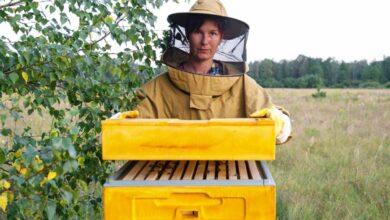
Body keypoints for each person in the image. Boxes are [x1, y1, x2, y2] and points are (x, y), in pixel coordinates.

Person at [115, 0, 291, 144]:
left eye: (213, 33)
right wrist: (120, 124)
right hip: (174, 177)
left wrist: (280, 123)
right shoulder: (159, 88)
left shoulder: (243, 85)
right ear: (187, 35)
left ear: (221, 38)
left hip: (230, 176)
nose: (205, 41)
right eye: (198, 32)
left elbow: (276, 127)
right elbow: (136, 127)